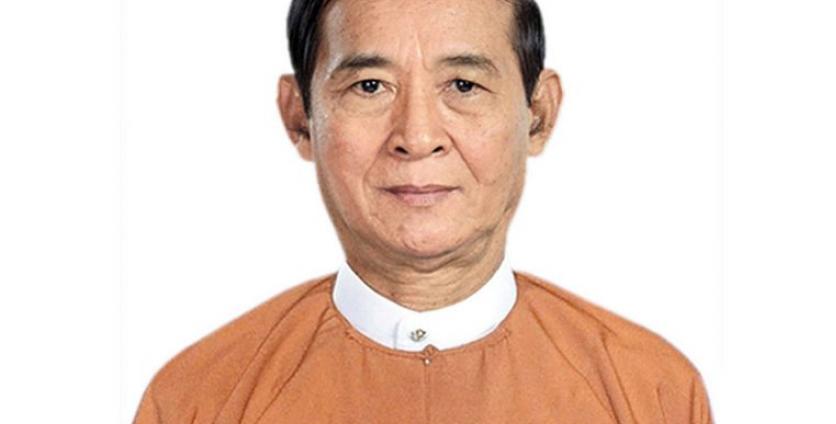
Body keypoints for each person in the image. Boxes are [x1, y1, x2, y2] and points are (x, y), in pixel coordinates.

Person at [133, 0, 713, 422]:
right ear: (300, 117)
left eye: (462, 85)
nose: (417, 136)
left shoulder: (651, 392)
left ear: (538, 114)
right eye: (369, 86)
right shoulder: (198, 399)